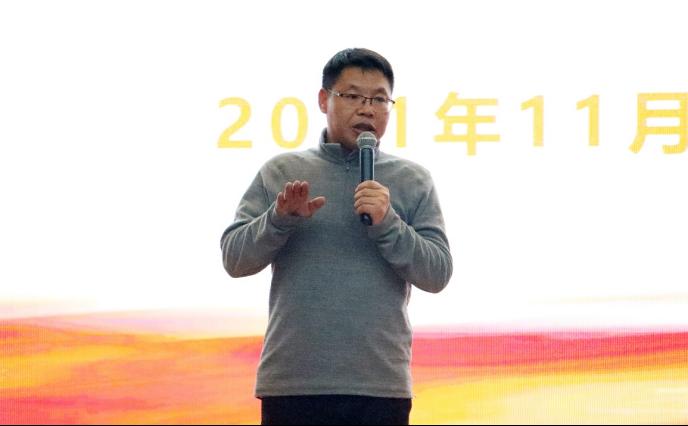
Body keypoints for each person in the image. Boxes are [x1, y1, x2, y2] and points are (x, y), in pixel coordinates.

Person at [221, 48, 452, 425]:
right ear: (323, 100)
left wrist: (388, 222)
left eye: (379, 99)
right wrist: (279, 219)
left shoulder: (413, 180)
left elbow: (437, 273)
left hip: (379, 386)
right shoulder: (282, 172)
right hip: (294, 384)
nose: (367, 109)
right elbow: (234, 259)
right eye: (353, 96)